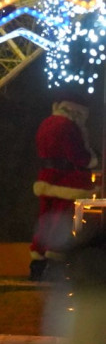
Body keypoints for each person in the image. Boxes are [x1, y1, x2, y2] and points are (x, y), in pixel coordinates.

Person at [30, 92, 99, 281]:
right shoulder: (69, 126)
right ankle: (54, 267)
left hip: (47, 177)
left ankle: (37, 264)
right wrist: (93, 159)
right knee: (62, 221)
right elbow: (79, 156)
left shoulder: (47, 122)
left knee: (44, 220)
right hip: (67, 180)